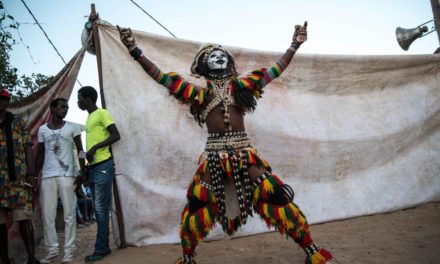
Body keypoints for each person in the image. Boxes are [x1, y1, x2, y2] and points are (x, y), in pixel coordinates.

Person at [118, 22, 338, 264]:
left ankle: (312, 252)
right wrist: (135, 51)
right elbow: (162, 78)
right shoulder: (197, 94)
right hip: (214, 156)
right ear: (203, 65)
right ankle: (188, 258)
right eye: (212, 56)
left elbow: (274, 71)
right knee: (198, 203)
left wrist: (294, 46)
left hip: (245, 153)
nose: (218, 58)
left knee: (275, 196)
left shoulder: (243, 88)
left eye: (222, 55)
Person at [34, 98, 85, 263]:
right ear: (52, 109)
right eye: (62, 107)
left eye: (67, 107)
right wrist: (36, 175)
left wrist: (82, 172)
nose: (66, 110)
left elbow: (81, 151)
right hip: (48, 176)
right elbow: (40, 153)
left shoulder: (73, 127)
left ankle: (69, 250)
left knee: (69, 214)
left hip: (68, 175)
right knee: (48, 215)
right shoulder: (42, 130)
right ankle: (52, 250)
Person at [77, 86, 121, 262]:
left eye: (79, 98)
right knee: (98, 208)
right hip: (94, 167)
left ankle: (101, 248)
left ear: (88, 99)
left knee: (101, 209)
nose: (77, 102)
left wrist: (95, 147)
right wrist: (85, 168)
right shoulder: (89, 118)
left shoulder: (102, 113)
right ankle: (103, 247)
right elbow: (86, 150)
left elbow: (116, 135)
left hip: (104, 165)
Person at [0, 89, 40, 264]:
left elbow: (27, 148)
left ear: (7, 102)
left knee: (24, 218)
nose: (1, 103)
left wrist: (31, 173)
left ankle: (31, 257)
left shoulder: (17, 122)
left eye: (4, 100)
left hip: (18, 178)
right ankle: (5, 259)